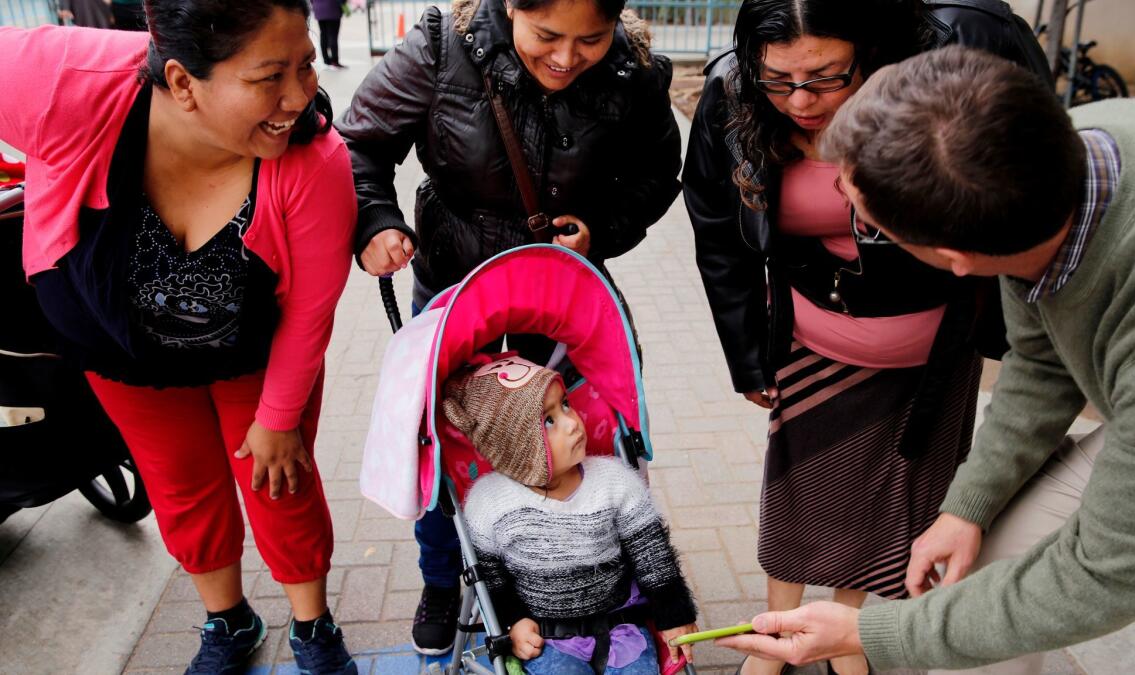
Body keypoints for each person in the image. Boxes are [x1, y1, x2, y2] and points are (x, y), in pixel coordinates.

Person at [716, 45, 1135, 675]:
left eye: (870, 226)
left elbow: (1104, 574)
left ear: (956, 261)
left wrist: (880, 633)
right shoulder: (1049, 161)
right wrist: (967, 504)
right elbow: (1042, 358)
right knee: (977, 573)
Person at [681, 2, 1047, 673]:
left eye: (823, 76)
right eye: (779, 79)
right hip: (810, 344)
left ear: (869, 47)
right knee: (798, 500)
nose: (799, 101)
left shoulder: (953, 56)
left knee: (889, 506)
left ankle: (848, 637)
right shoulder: (734, 95)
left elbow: (1020, 198)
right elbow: (717, 234)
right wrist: (746, 355)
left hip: (931, 356)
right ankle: (776, 640)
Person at [0, 2, 359, 673]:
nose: (300, 95)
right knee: (180, 488)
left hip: (250, 356)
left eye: (305, 64)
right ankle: (229, 620)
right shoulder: (65, 79)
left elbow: (312, 311)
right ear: (183, 81)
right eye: (269, 76)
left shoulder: (315, 160)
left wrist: (280, 418)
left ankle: (314, 628)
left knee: (280, 484)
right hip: (120, 357)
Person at [335, 0, 681, 654]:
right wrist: (375, 220)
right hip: (458, 298)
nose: (566, 58)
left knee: (583, 438)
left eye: (591, 39)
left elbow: (658, 172)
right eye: (547, 35)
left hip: (566, 302)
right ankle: (442, 579)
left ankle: (568, 574)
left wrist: (600, 229)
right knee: (443, 446)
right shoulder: (442, 47)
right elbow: (358, 142)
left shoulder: (632, 72)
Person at [445, 354, 699, 673]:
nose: (572, 422)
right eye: (549, 420)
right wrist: (513, 621)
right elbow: (492, 581)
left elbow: (653, 558)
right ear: (514, 446)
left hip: (622, 626)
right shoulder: (489, 504)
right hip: (545, 636)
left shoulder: (614, 480)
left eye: (565, 404)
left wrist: (675, 616)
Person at [312, 0, 346, 69]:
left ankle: (326, 60)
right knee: (333, 35)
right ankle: (334, 60)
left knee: (323, 34)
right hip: (333, 9)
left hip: (319, 9)